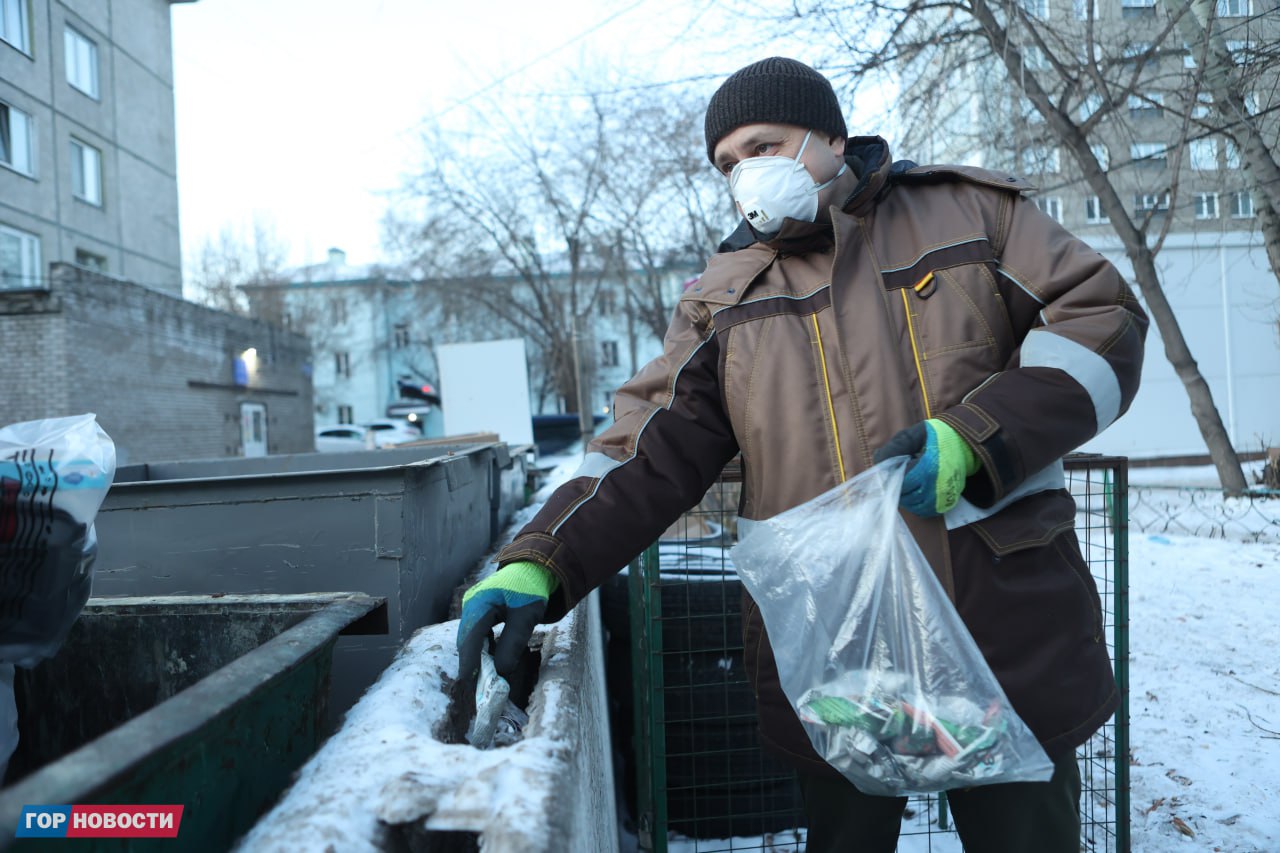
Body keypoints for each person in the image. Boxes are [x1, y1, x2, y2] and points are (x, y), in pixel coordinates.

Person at [458, 56, 1147, 852]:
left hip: (997, 625)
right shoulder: (722, 297)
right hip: (836, 654)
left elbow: (1101, 317)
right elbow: (647, 445)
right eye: (727, 163)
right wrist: (543, 557)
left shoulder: (966, 215)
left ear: (827, 137)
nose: (745, 172)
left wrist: (978, 437)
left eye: (763, 144)